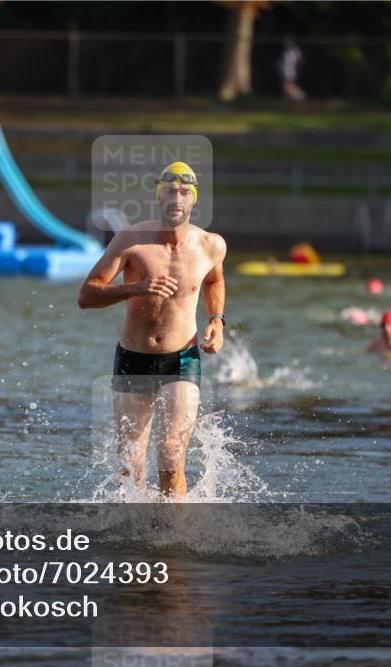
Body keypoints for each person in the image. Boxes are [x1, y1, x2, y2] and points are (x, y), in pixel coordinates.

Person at [78, 161, 226, 498]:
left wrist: (217, 319)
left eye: (185, 192)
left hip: (182, 360)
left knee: (172, 458)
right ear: (160, 198)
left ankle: (173, 540)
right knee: (131, 466)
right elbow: (86, 296)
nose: (177, 198)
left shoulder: (210, 245)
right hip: (134, 358)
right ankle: (137, 540)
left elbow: (214, 279)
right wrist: (136, 288)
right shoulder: (131, 242)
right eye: (171, 191)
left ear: (193, 200)